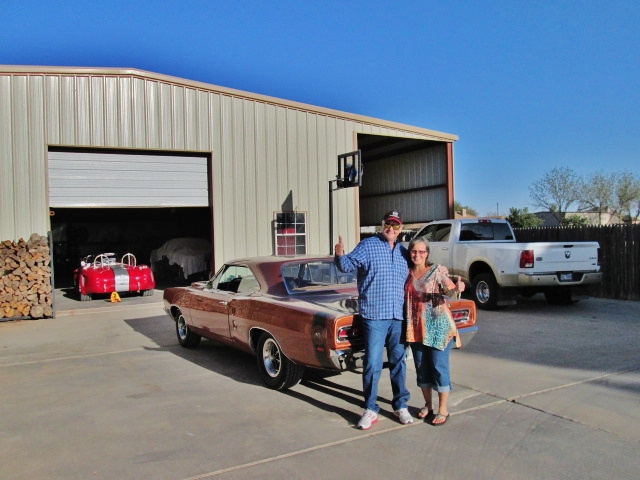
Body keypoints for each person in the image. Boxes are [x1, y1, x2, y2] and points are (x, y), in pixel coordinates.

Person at [334, 210, 412, 430]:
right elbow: (347, 265)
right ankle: (370, 408)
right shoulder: (368, 245)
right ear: (382, 224)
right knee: (372, 364)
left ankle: (400, 405)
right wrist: (340, 255)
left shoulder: (404, 253)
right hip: (375, 316)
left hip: (398, 316)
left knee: (399, 362)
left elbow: (420, 274)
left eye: (396, 226)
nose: (391, 229)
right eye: (388, 224)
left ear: (401, 229)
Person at [405, 236, 465, 426]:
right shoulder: (406, 273)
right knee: (422, 369)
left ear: (427, 254)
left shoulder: (436, 271)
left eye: (421, 251)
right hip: (416, 329)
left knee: (439, 368)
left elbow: (450, 291)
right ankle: (428, 405)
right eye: (414, 251)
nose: (417, 255)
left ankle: (443, 409)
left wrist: (458, 288)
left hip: (438, 327)